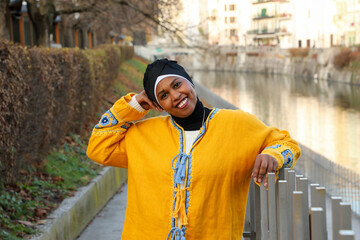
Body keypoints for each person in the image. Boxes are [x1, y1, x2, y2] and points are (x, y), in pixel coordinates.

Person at [86, 59, 301, 240]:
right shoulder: (143, 135)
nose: (175, 95)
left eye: (177, 84)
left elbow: (287, 143)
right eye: (163, 95)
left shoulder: (237, 124)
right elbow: (98, 148)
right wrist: (131, 106)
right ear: (158, 105)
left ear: (190, 81)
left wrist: (272, 156)